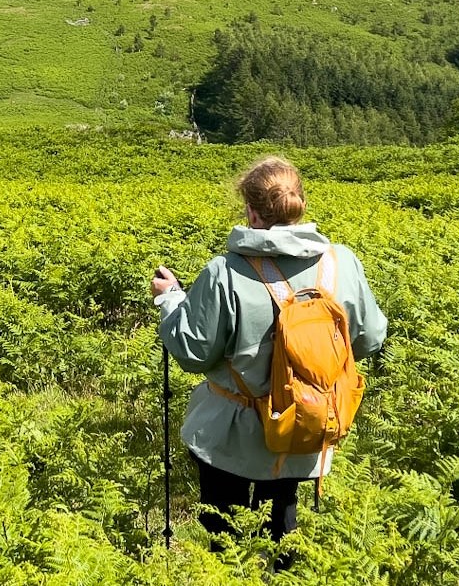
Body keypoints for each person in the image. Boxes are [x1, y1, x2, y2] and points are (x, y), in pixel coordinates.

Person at [151, 156, 386, 559]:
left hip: (234, 433)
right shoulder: (340, 262)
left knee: (225, 537)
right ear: (300, 205)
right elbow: (369, 339)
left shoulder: (225, 272)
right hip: (305, 424)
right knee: (284, 523)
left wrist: (171, 299)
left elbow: (191, 352)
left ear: (251, 211)